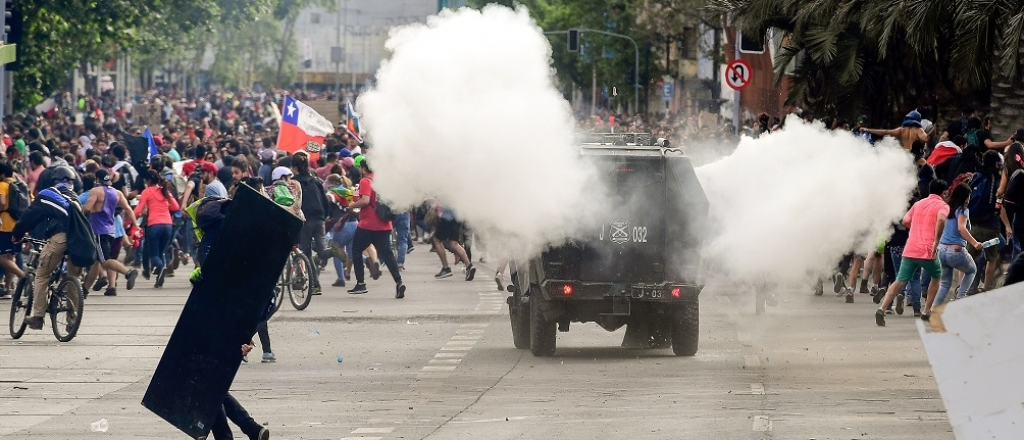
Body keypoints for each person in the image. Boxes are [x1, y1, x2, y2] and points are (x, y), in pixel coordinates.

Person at [11, 166, 86, 330]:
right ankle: (72, 318)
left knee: (42, 275)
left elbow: (30, 216)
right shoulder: (76, 198)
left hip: (60, 238)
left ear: (55, 180)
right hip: (80, 242)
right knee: (73, 277)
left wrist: (17, 234)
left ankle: (38, 317)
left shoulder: (49, 194)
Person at [875, 179, 950, 326]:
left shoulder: (918, 204)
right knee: (936, 277)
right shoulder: (943, 206)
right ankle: (926, 311)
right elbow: (941, 220)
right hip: (928, 250)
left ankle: (882, 308)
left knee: (900, 280)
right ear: (943, 193)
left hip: (911, 248)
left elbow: (905, 221)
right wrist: (936, 240)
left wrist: (916, 227)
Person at [345, 158, 405, 298]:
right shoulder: (381, 181)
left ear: (363, 168)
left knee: (356, 249)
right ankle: (399, 282)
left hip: (368, 224)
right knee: (387, 254)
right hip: (384, 224)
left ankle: (361, 283)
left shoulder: (365, 181)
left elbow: (365, 200)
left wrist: (351, 206)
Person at [82, 169, 140, 296]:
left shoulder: (95, 191)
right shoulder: (117, 193)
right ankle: (84, 290)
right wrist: (136, 224)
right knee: (96, 262)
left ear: (97, 179)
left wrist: (76, 214)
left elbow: (86, 208)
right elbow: (128, 209)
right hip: (111, 231)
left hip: (98, 232)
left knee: (105, 261)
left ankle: (128, 273)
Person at [929, 183, 983, 315]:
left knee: (944, 283)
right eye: (968, 196)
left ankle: (933, 309)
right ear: (964, 197)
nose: (969, 199)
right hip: (956, 251)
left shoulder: (946, 208)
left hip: (942, 250)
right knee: (972, 270)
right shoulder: (963, 210)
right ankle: (960, 300)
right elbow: (961, 228)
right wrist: (975, 243)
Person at [134, 170, 181, 288]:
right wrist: (165, 206)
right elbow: (176, 207)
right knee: (161, 253)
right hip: (168, 226)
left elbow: (138, 210)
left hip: (154, 225)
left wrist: (130, 221)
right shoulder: (164, 190)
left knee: (154, 254)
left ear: (148, 180)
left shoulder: (147, 191)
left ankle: (161, 267)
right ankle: (159, 279)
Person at [291, 151, 329, 295]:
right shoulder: (316, 181)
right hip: (319, 218)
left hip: (305, 221)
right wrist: (325, 215)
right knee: (322, 250)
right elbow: (324, 200)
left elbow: (293, 203)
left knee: (306, 254)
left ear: (294, 167)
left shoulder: (294, 183)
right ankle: (333, 250)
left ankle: (316, 285)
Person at [0, 162, 25, 298]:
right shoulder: (22, 185)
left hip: (5, 226)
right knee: (10, 257)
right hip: (19, 225)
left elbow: (2, 201)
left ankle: (23, 276)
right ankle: (8, 289)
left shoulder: (2, 185)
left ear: (2, 174)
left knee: (2, 258)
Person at [861, 110, 930, 151]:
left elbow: (885, 132)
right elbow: (926, 139)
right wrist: (933, 130)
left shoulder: (901, 129)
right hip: (916, 157)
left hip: (906, 157)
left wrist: (868, 130)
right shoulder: (919, 130)